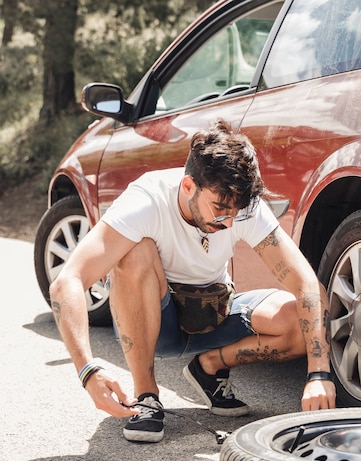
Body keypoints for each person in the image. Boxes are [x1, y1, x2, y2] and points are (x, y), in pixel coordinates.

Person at [49, 120, 336, 443]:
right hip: (158, 322)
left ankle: (209, 367)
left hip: (215, 312)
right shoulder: (146, 200)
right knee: (135, 250)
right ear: (188, 187)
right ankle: (146, 395)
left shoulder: (241, 206)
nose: (228, 221)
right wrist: (87, 371)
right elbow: (68, 281)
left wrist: (318, 372)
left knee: (300, 317)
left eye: (236, 212)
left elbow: (306, 283)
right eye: (219, 209)